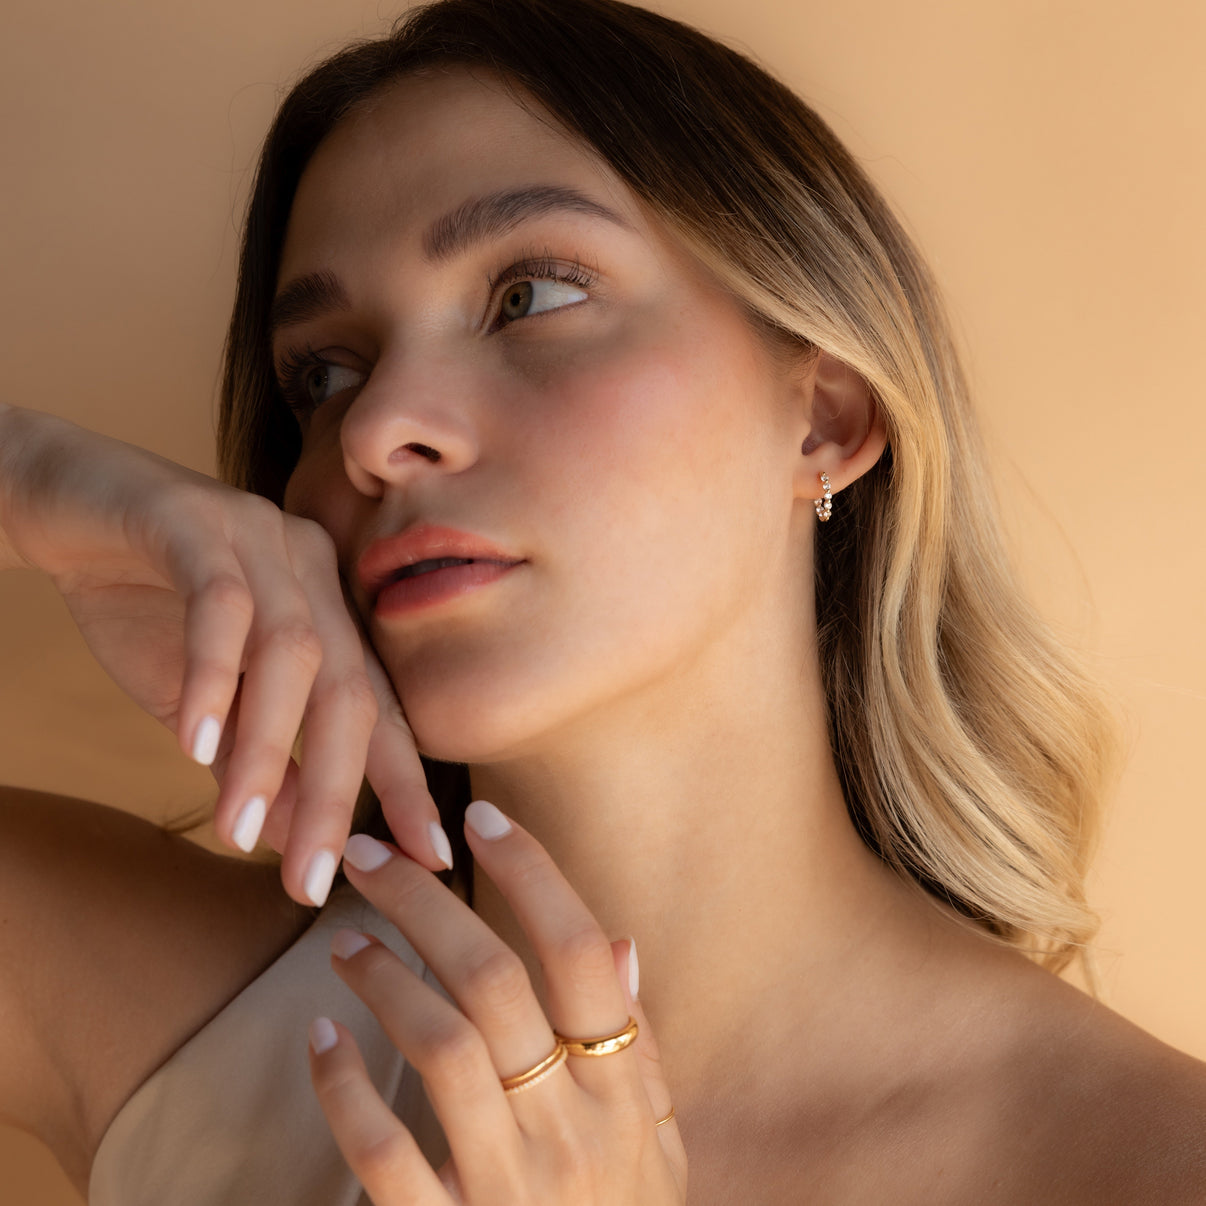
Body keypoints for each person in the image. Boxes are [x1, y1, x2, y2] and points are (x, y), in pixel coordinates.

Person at [1, 0, 1204, 1201]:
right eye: (324, 376)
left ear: (823, 419)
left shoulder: (1144, 1163)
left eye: (528, 296)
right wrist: (29, 482)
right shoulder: (176, 1018)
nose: (374, 430)